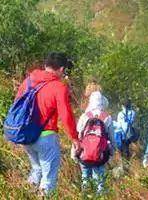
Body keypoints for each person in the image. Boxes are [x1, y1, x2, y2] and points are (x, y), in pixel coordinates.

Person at [14, 52, 79, 196]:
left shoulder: (28, 81)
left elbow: (16, 104)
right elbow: (66, 116)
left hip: (26, 136)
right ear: (61, 69)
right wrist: (74, 138)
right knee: (48, 179)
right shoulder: (58, 87)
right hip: (46, 136)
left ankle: (23, 195)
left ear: (45, 65)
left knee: (36, 169)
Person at [74, 90, 115, 194]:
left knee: (85, 177)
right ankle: (100, 196)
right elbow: (111, 137)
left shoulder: (85, 116)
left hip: (84, 153)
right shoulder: (107, 117)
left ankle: (85, 195)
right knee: (99, 179)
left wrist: (75, 152)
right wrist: (112, 151)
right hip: (100, 154)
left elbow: (78, 134)